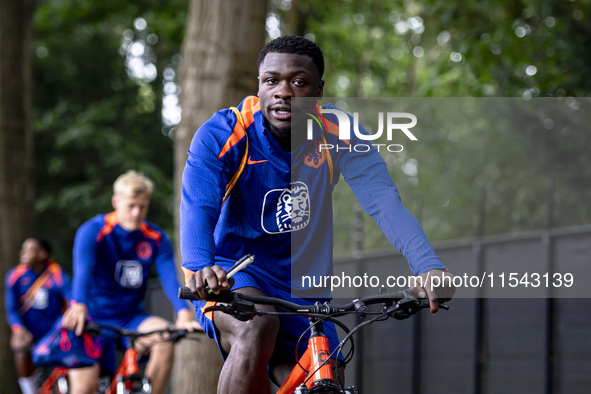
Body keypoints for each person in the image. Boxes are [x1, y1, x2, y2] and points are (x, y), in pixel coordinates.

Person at [181, 35, 456, 393]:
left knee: (326, 376)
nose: (283, 91)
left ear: (318, 90)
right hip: (234, 275)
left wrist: (428, 265)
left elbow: (383, 200)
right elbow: (199, 204)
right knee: (257, 328)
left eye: (298, 82)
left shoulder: (340, 133)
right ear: (259, 85)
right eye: (271, 81)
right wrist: (201, 266)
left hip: (306, 291)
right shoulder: (222, 132)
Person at [62, 170, 201, 394]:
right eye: (131, 206)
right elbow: (82, 272)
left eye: (143, 206)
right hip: (92, 317)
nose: (137, 213)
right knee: (82, 389)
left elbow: (169, 278)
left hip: (131, 318)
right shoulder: (93, 231)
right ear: (116, 201)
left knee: (166, 336)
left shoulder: (156, 237)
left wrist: (183, 314)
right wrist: (78, 304)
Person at [4, 237, 72, 394]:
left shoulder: (56, 273)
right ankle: (29, 391)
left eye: (29, 249)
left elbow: (70, 298)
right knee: (20, 349)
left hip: (54, 330)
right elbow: (11, 309)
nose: (23, 253)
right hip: (29, 331)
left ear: (42, 254)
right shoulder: (15, 275)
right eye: (23, 249)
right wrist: (18, 329)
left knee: (68, 351)